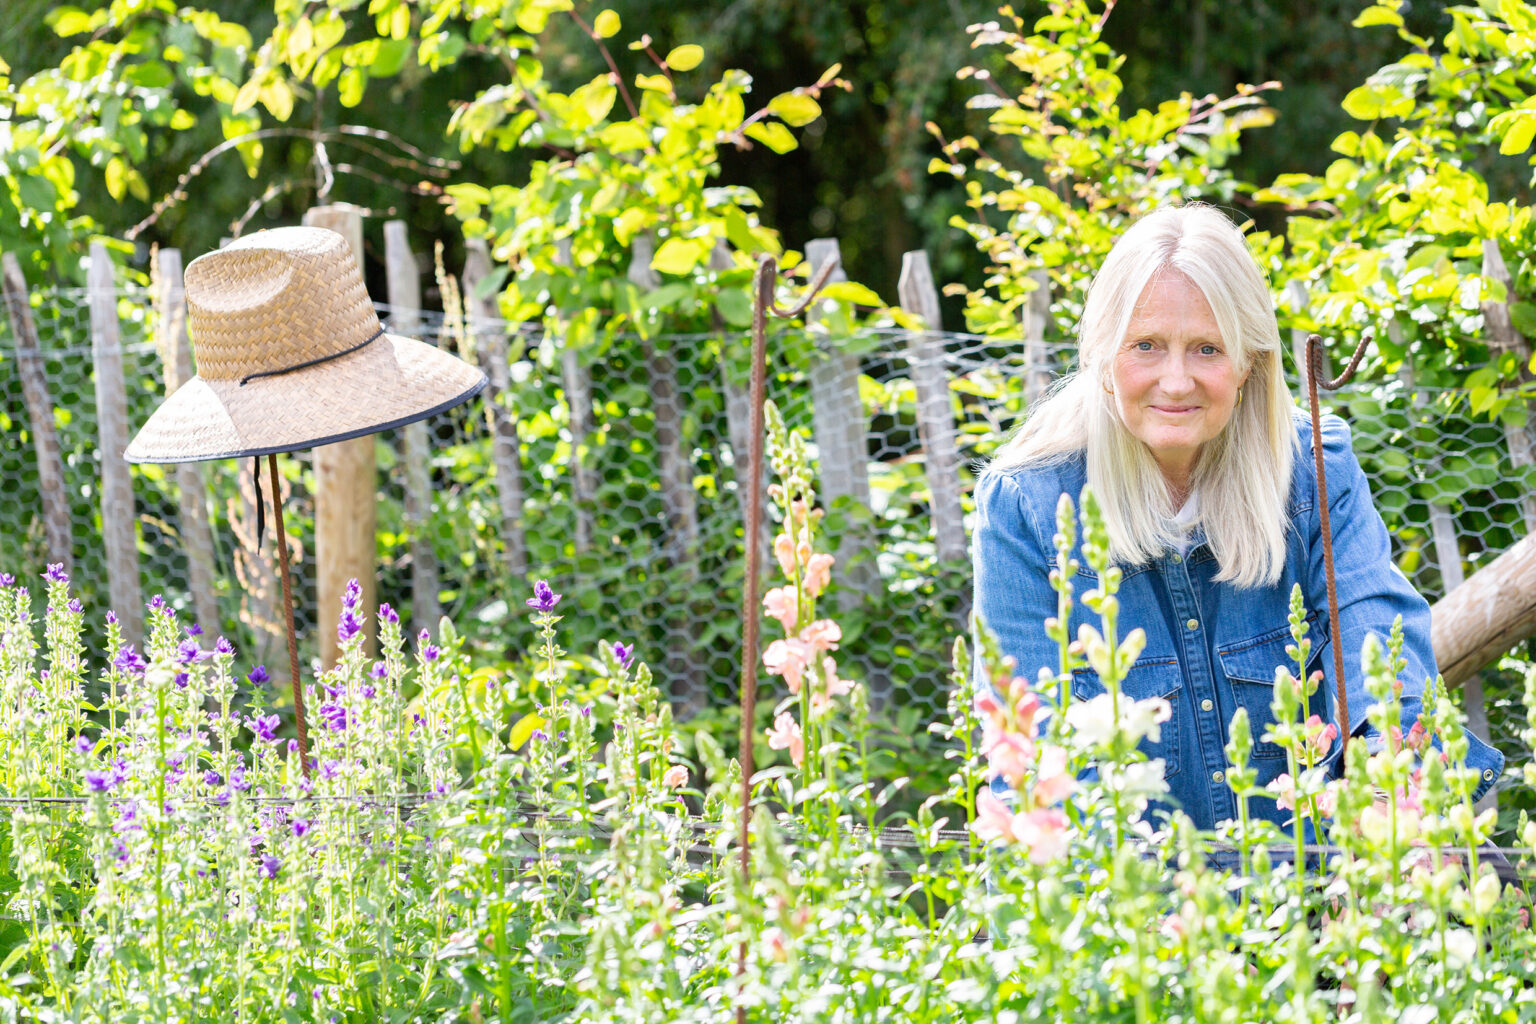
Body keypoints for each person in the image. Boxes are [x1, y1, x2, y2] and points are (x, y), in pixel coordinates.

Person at [970, 203, 1502, 832]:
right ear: (1102, 356)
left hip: (1309, 883)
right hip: (1125, 885)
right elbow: (1033, 754)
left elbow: (1377, 637)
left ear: (1249, 361)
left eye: (1207, 348)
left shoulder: (1313, 471)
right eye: (1145, 346)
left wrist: (1391, 784)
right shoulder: (1025, 506)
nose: (1176, 382)